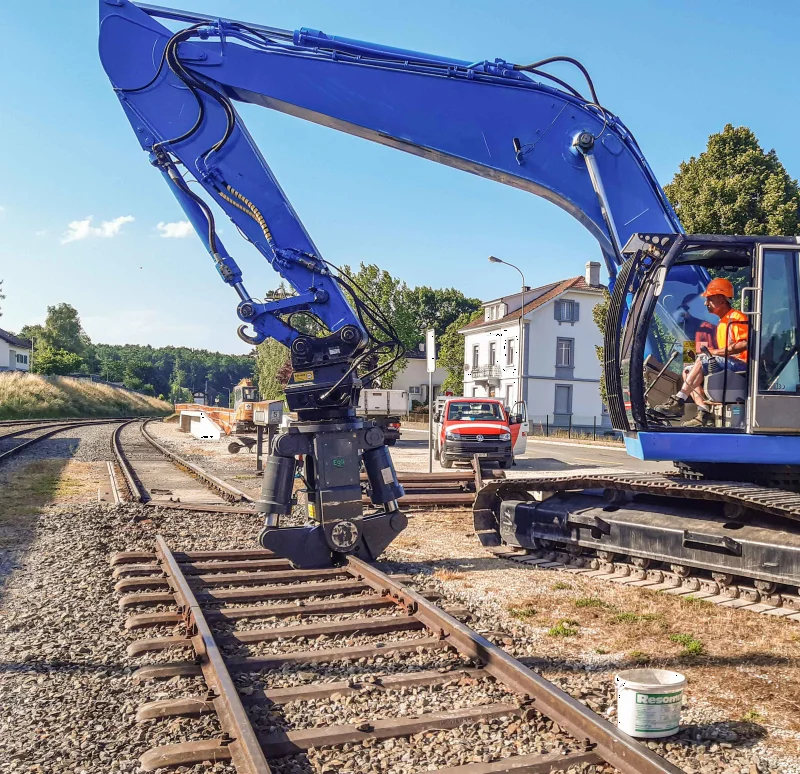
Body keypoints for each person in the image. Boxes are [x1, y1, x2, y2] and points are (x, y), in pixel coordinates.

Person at [654, 277, 748, 427]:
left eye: (709, 299)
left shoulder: (712, 325)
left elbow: (739, 344)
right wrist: (690, 364)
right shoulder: (715, 324)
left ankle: (679, 400)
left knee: (701, 360)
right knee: (687, 371)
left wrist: (708, 354)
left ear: (722, 300)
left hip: (740, 364)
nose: (705, 303)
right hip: (719, 360)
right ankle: (703, 411)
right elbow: (692, 348)